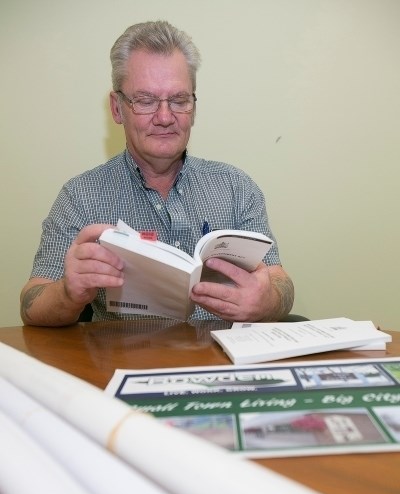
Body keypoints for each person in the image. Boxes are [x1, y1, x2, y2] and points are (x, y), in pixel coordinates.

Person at [20, 20, 294, 326]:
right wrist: (68, 293)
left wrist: (266, 300)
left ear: (194, 105)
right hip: (124, 364)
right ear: (116, 108)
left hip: (222, 365)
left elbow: (280, 280)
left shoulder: (237, 187)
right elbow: (32, 303)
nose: (165, 117)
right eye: (146, 101)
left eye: (179, 100)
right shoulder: (81, 196)